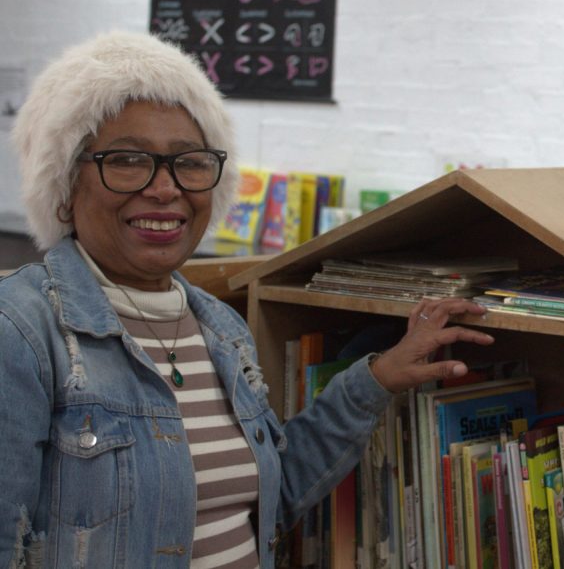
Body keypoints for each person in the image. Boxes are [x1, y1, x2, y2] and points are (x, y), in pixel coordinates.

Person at [0, 31, 493, 568]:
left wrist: (376, 379)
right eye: (126, 160)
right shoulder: (23, 331)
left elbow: (271, 501)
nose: (165, 189)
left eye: (188, 163)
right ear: (65, 188)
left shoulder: (220, 330)